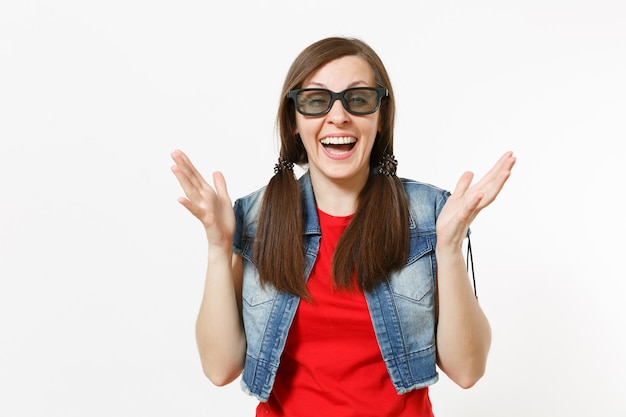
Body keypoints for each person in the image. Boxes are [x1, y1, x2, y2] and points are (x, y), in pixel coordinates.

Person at [170, 36, 516, 417]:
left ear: (380, 118)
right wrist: (220, 248)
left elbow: (468, 371)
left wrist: (449, 248)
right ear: (295, 121)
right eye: (317, 101)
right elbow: (220, 369)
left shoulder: (430, 216)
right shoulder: (257, 220)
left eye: (359, 99)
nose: (338, 117)